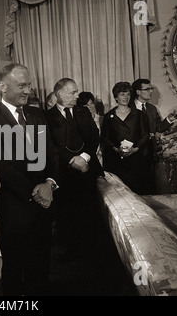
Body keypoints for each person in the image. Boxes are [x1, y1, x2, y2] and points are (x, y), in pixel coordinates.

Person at [0, 63, 59, 296]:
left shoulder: (37, 114)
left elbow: (51, 151)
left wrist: (50, 183)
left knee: (42, 264)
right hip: (14, 208)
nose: (28, 91)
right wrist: (35, 191)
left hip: (44, 204)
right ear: (3, 86)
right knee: (14, 269)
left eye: (29, 85)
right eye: (22, 85)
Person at [45, 79, 104, 262]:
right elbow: (50, 146)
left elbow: (94, 137)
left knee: (90, 213)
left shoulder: (83, 111)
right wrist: (71, 160)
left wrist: (84, 157)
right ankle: (71, 253)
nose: (77, 96)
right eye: (72, 93)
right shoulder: (46, 116)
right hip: (63, 175)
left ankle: (91, 253)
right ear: (59, 94)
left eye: (77, 92)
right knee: (68, 216)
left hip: (87, 171)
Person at [130, 78, 177, 194]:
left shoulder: (152, 109)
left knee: (148, 187)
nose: (151, 91)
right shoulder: (128, 108)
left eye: (151, 89)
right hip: (133, 154)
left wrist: (169, 119)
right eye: (147, 89)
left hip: (149, 154)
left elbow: (159, 127)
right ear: (138, 92)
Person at [101, 82, 150, 195]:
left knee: (137, 192)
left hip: (136, 161)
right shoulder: (109, 116)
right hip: (115, 162)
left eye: (128, 94)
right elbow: (105, 138)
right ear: (116, 97)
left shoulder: (139, 114)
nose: (126, 97)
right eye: (122, 94)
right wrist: (116, 149)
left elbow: (145, 135)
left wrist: (135, 149)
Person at [77, 91, 104, 165]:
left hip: (102, 157)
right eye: (87, 105)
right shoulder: (79, 122)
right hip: (86, 157)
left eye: (91, 103)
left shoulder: (102, 120)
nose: (91, 107)